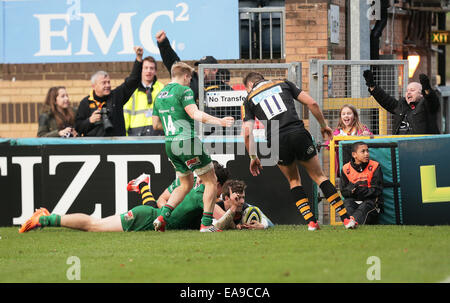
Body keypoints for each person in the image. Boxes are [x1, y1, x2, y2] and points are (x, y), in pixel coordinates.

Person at [241, 72, 357, 231]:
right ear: (262, 79)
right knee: (319, 176)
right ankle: (346, 219)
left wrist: (253, 156)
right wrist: (324, 126)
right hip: (298, 133)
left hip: (276, 141)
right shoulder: (283, 83)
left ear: (249, 86)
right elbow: (313, 103)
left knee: (294, 180)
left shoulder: (249, 99)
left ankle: (311, 223)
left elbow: (247, 133)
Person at [18, 167, 233, 233]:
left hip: (151, 215)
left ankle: (46, 218)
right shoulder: (205, 197)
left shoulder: (186, 185)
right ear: (218, 185)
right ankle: (44, 219)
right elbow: (224, 221)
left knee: (96, 224)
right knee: (94, 225)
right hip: (145, 219)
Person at [151, 61, 234, 232]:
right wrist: (221, 121)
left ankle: (162, 217)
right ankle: (206, 224)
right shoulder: (184, 91)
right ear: (186, 76)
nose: (190, 82)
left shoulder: (159, 95)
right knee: (211, 181)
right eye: (190, 78)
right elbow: (195, 114)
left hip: (170, 145)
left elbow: (156, 125)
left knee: (185, 184)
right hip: (187, 141)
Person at [156, 30, 239, 135]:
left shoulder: (226, 90)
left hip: (218, 136)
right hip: (194, 134)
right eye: (200, 67)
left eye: (205, 68)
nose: (201, 70)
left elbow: (234, 117)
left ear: (214, 70)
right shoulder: (192, 81)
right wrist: (163, 43)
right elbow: (175, 64)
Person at [75, 46, 143, 137]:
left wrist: (138, 59)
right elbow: (78, 127)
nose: (107, 85)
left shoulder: (116, 96)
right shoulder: (85, 103)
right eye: (104, 83)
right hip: (94, 148)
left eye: (108, 82)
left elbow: (132, 81)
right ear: (94, 86)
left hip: (116, 147)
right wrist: (90, 121)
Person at [363, 70, 440, 135]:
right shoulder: (401, 105)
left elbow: (432, 100)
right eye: (407, 91)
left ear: (421, 94)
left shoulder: (426, 105)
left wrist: (427, 88)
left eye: (412, 90)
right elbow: (385, 100)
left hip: (421, 146)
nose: (408, 93)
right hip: (399, 145)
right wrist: (372, 86)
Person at [340, 142, 383, 225]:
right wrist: (350, 190)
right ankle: (351, 222)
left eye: (367, 151)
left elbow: (377, 190)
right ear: (354, 154)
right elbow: (343, 191)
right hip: (354, 201)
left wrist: (360, 191)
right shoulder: (346, 168)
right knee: (347, 204)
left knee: (366, 205)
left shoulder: (375, 166)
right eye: (363, 151)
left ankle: (352, 221)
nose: (366, 154)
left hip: (371, 203)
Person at [123, 56, 165, 136]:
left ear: (155, 71)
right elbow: (125, 114)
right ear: (141, 70)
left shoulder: (162, 89)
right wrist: (124, 138)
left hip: (158, 135)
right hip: (135, 137)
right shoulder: (132, 90)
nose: (148, 71)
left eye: (151, 68)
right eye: (146, 68)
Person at [327, 104, 373, 177]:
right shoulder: (338, 132)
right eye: (343, 114)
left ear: (354, 116)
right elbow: (328, 145)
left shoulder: (361, 129)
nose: (346, 116)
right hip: (344, 164)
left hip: (361, 164)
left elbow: (371, 139)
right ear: (341, 117)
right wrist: (335, 139)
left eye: (349, 113)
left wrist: (367, 134)